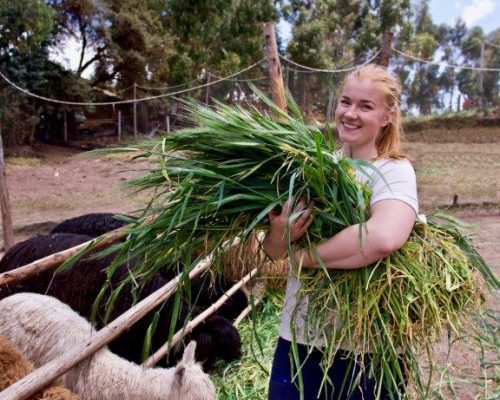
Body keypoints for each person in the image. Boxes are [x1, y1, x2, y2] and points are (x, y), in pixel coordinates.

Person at [263, 64, 419, 400]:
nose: (351, 114)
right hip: (300, 340)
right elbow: (273, 252)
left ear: (387, 116)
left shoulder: (393, 170)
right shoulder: (310, 167)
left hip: (368, 350)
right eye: (346, 102)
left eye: (366, 106)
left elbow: (382, 237)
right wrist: (280, 235)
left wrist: (302, 258)